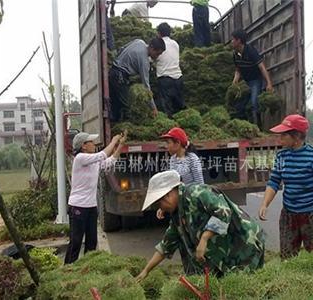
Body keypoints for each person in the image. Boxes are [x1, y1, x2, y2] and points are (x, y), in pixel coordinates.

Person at [136, 170, 265, 281]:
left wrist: (204, 239)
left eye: (160, 204)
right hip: (224, 253)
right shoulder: (178, 214)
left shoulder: (197, 193)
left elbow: (223, 212)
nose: (160, 209)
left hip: (245, 243)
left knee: (242, 287)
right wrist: (146, 271)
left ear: (168, 195)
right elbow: (166, 246)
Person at [258, 114, 313, 259]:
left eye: (284, 135)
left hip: (311, 215)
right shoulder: (281, 156)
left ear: (296, 136)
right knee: (287, 258)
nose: (280, 139)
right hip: (289, 215)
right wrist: (264, 204)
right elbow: (274, 182)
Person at [64, 132, 126, 264]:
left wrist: (121, 145)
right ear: (83, 146)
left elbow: (110, 161)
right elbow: (103, 155)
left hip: (91, 207)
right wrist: (114, 140)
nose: (94, 144)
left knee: (92, 242)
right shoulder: (80, 158)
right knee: (76, 241)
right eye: (91, 142)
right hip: (78, 207)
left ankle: (88, 268)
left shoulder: (93, 161)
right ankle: (68, 269)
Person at [109, 38, 165, 122]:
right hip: (119, 77)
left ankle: (114, 123)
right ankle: (125, 127)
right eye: (157, 53)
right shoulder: (144, 61)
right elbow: (146, 86)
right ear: (152, 48)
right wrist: (153, 108)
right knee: (129, 106)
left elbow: (121, 49)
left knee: (115, 103)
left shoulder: (139, 41)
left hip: (113, 71)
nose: (157, 56)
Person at [156, 127, 204, 219]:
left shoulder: (192, 159)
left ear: (177, 143)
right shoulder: (172, 160)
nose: (167, 146)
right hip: (178, 205)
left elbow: (200, 185)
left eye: (168, 143)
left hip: (192, 204)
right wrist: (164, 207)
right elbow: (172, 185)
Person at [231, 29, 273, 125]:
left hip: (255, 81)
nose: (231, 42)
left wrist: (269, 83)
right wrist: (234, 82)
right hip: (245, 82)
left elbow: (262, 67)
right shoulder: (235, 54)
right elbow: (238, 70)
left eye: (233, 39)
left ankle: (258, 126)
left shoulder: (251, 51)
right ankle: (244, 125)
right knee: (240, 105)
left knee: (254, 103)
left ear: (239, 41)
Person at [156, 22, 186, 117]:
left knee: (167, 110)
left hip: (165, 80)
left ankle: (170, 129)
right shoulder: (175, 44)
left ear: (159, 33)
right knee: (179, 108)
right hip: (178, 78)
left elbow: (153, 58)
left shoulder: (158, 44)